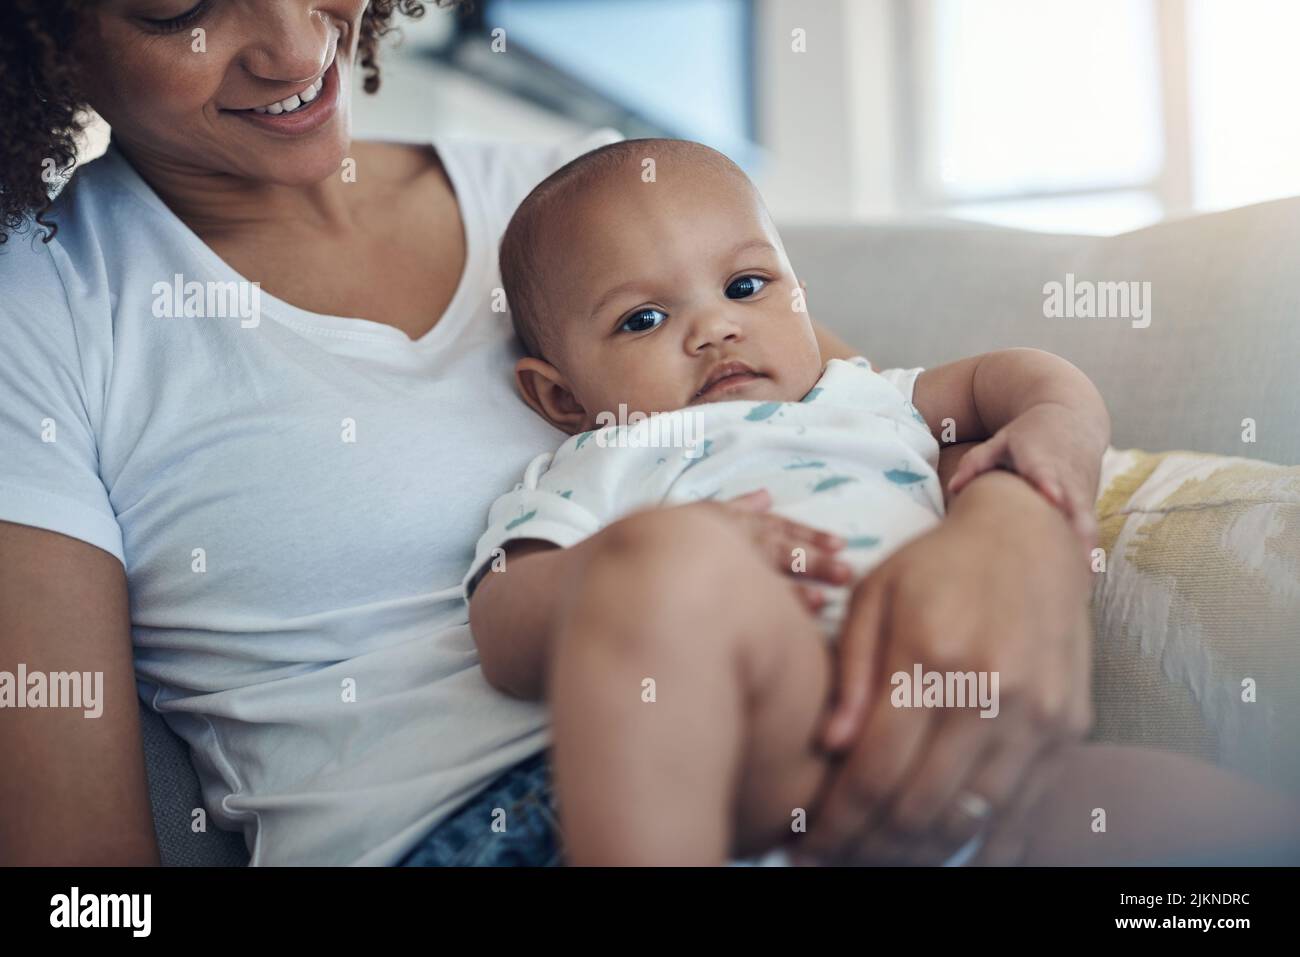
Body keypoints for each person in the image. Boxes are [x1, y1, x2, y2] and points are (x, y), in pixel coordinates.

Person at [2, 0, 1098, 866]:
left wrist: (1014, 533)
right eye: (174, 8)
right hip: (481, 829)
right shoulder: (42, 308)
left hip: (798, 749)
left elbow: (852, 423)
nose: (294, 46)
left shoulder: (587, 200)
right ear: (45, 40)